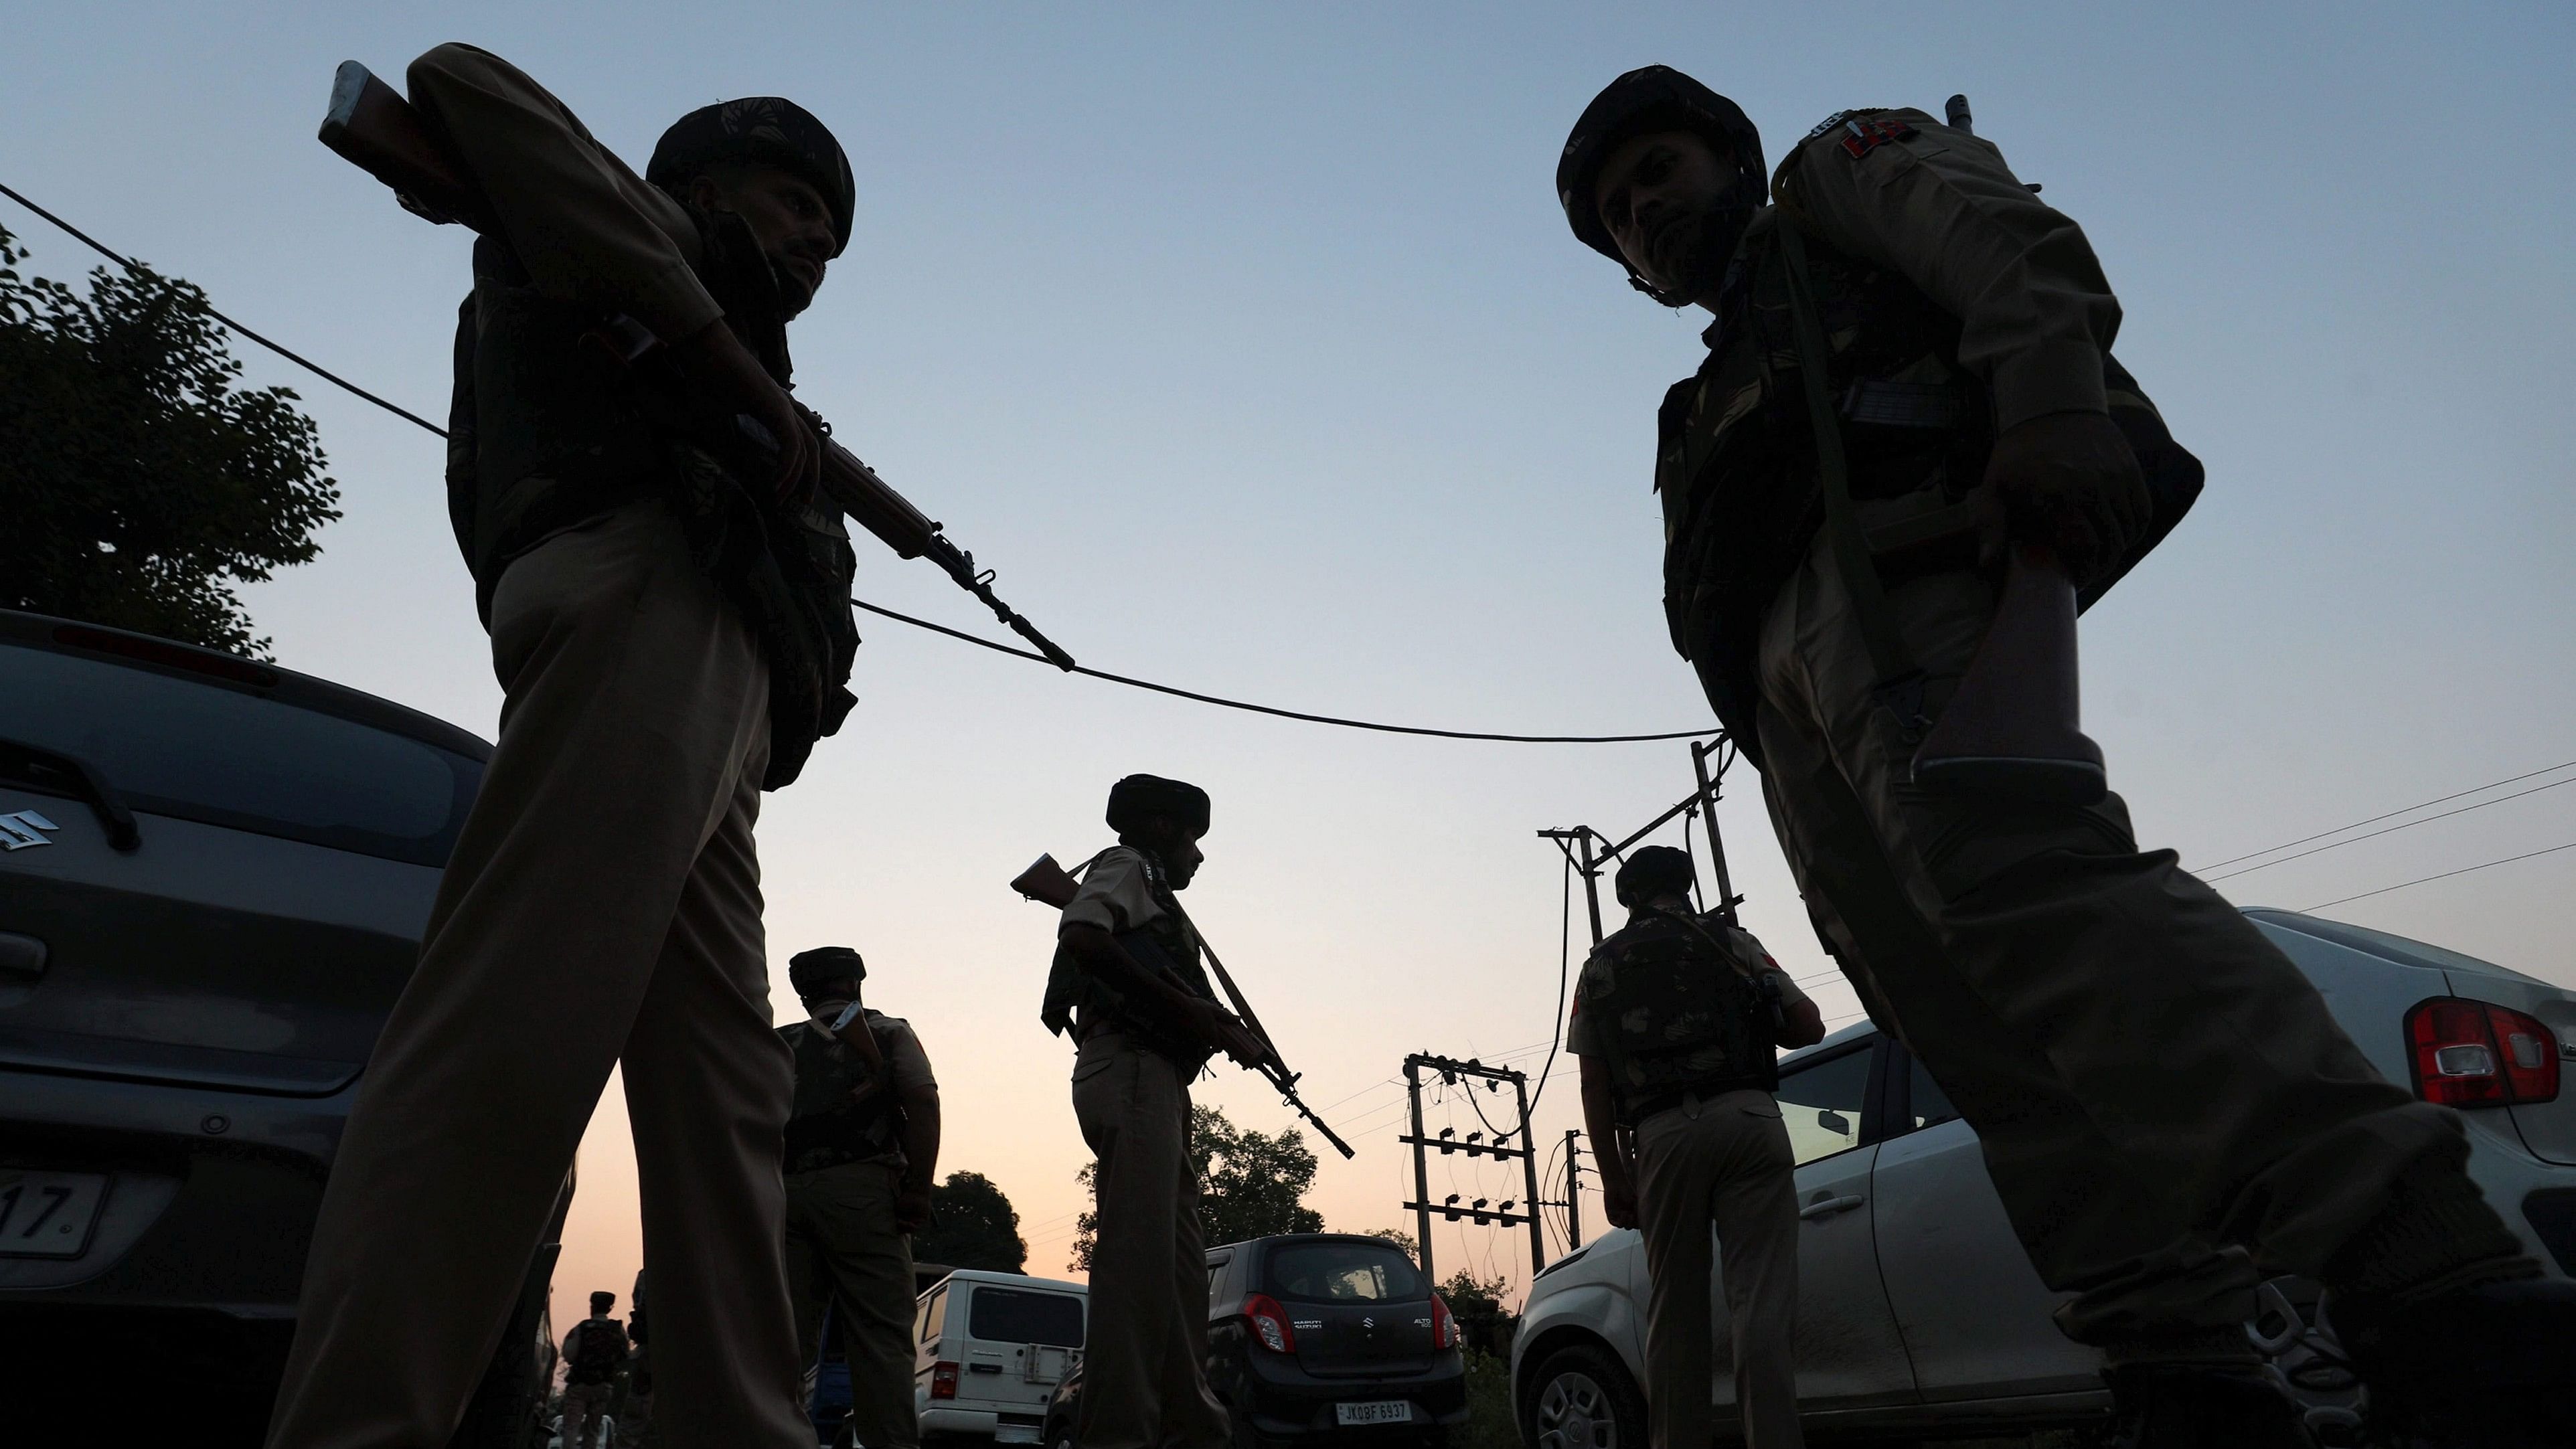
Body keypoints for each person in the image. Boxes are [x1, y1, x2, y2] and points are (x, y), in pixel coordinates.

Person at [1554, 66, 2573, 1446]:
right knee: (1955, 1019)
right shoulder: (1696, 403)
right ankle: (2174, 1355)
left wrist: (2047, 403)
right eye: (1617, 214)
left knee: (2052, 906)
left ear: (1722, 152)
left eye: (1655, 172)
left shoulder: (1833, 177)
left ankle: (2428, 1266)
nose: (1643, 214)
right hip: (1798, 724)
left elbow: (2011, 245)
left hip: (1907, 588)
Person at [266, 43, 862, 1449]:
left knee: (723, 1105)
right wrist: (730, 364)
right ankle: (359, 1420)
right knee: (509, 1027)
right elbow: (455, 76)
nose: (810, 247)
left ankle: (742, 1424)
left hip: (713, 692)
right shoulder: (634, 231)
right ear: (700, 184)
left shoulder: (686, 286)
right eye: (790, 205)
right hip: (642, 611)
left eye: (829, 240)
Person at [1571, 847, 1824, 1449]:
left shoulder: (1601, 966)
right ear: (1685, 886)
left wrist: (1614, 1177)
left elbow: (1593, 1081)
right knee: (1760, 1303)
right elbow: (1808, 1026)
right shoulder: (1734, 942)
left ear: (1628, 899)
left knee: (1676, 1313)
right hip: (1750, 1117)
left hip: (1662, 1133)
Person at [1042, 775, 1266, 1449]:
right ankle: (1119, 1433)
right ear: (1164, 828)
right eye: (1193, 838)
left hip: (1154, 1079)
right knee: (1138, 1270)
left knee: (1178, 1275)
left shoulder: (1148, 889)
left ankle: (1188, 1426)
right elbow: (1082, 931)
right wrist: (1193, 1010)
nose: (1198, 855)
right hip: (1131, 1068)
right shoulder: (1127, 865)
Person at [778, 946, 942, 1449]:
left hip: (782, 1196)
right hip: (864, 1193)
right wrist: (917, 1189)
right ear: (857, 982)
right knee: (882, 1340)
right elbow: (922, 1099)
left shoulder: (776, 1044)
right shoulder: (888, 1031)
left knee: (781, 1340)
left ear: (804, 993)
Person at [561, 1291, 632, 1449]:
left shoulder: (582, 1328)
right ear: (610, 1308)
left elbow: (569, 1355)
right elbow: (626, 1355)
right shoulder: (617, 1330)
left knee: (571, 1428)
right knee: (592, 1430)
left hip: (579, 1385)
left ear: (592, 1306)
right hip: (604, 1386)